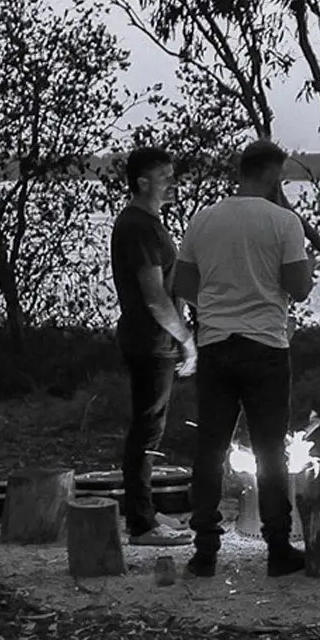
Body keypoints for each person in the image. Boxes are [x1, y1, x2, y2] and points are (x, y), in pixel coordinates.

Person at [171, 140, 316, 577]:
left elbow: (182, 281)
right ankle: (277, 548)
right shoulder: (284, 222)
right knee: (270, 449)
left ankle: (205, 551)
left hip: (216, 344)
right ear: (273, 173)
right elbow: (299, 286)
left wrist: (216, 308)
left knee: (210, 447)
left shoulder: (203, 219)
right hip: (265, 346)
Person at [110, 146, 194, 547]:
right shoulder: (138, 226)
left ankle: (144, 512)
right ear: (144, 182)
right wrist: (186, 340)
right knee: (146, 432)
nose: (172, 182)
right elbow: (155, 297)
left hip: (153, 340)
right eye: (166, 176)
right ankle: (141, 524)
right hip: (150, 342)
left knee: (150, 431)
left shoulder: (148, 223)